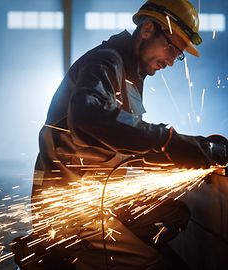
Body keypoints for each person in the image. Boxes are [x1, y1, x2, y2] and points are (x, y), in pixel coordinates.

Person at [13, 0, 228, 269]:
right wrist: (168, 142)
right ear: (148, 29)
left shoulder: (128, 72)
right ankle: (56, 258)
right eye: (172, 48)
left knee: (173, 215)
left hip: (97, 196)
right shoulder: (106, 61)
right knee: (160, 266)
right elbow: (88, 116)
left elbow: (126, 141)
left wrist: (193, 147)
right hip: (73, 210)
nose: (172, 61)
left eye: (179, 54)